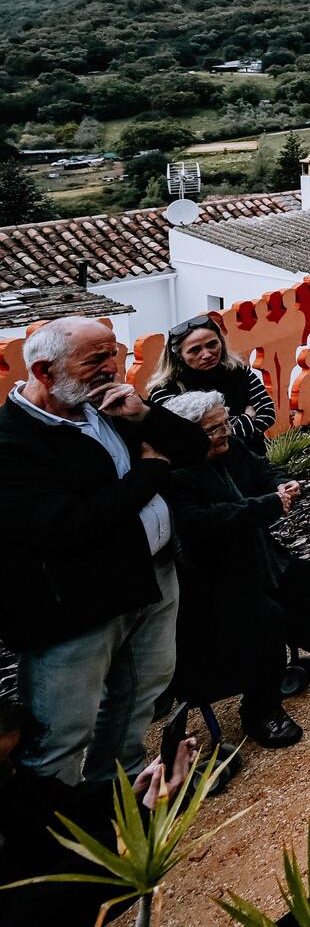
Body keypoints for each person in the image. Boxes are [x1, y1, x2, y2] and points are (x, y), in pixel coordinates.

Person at [0, 317, 209, 784]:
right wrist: (151, 473)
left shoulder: (111, 406)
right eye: (95, 359)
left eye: (112, 353)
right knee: (63, 728)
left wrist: (145, 417)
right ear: (44, 372)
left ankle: (120, 794)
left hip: (152, 578)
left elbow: (196, 448)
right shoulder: (11, 441)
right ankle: (52, 839)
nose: (111, 367)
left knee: (140, 695)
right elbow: (70, 525)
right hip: (75, 607)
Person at [154, 389, 310, 748]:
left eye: (224, 423)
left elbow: (262, 467)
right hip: (213, 578)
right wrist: (269, 503)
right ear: (188, 434)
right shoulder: (177, 474)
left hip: (258, 557)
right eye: (213, 429)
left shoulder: (231, 450)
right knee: (265, 617)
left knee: (303, 576)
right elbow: (204, 522)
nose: (224, 432)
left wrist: (281, 483)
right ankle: (261, 708)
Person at [0, 701, 198, 925]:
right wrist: (143, 820)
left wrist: (130, 793)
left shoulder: (10, 782)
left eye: (9, 758)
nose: (10, 769)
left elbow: (57, 807)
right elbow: (47, 903)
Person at [145, 312, 277, 456]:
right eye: (195, 350)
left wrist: (219, 428)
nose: (207, 354)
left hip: (254, 459)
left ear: (221, 342)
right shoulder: (165, 391)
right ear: (179, 355)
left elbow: (267, 413)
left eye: (212, 344)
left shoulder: (239, 372)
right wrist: (247, 419)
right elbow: (187, 435)